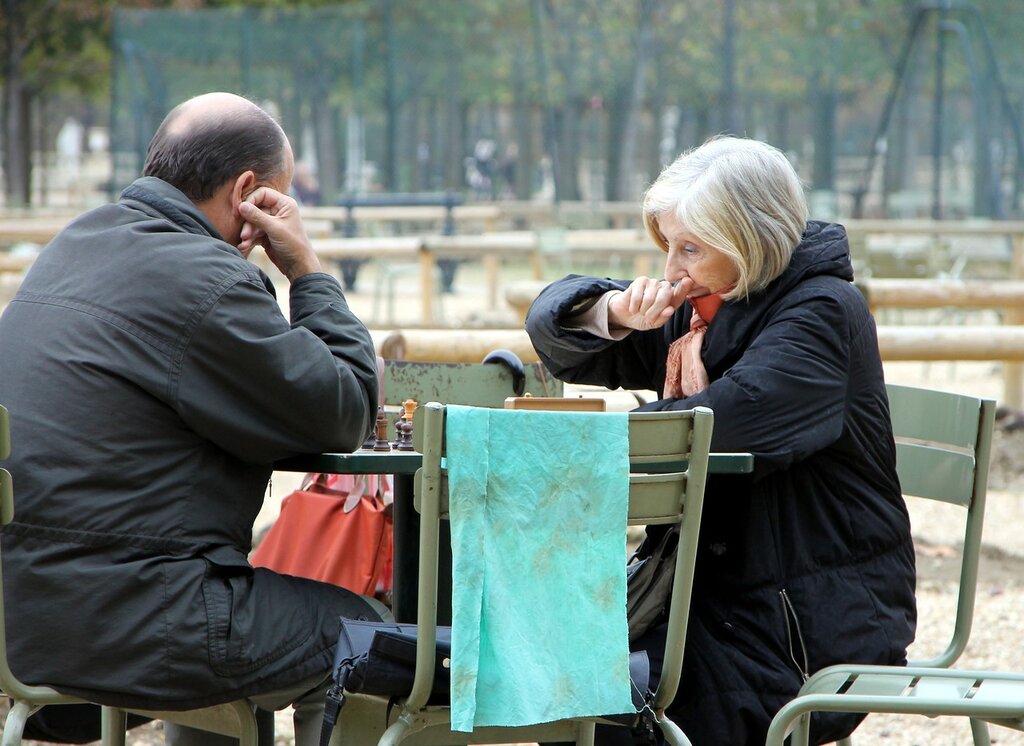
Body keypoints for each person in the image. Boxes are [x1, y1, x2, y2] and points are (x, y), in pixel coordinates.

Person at [0, 92, 384, 746]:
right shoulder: (206, 279)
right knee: (368, 638)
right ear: (248, 196)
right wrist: (306, 270)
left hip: (22, 628)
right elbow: (343, 410)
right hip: (129, 628)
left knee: (231, 602)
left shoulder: (71, 247)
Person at [525, 136, 917, 746]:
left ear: (747, 240)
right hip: (712, 603)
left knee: (596, 707)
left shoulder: (823, 313)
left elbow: (710, 428)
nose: (669, 270)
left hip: (806, 625)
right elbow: (552, 328)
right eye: (667, 246)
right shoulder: (704, 310)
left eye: (689, 248)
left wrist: (561, 444)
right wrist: (615, 313)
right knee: (551, 680)